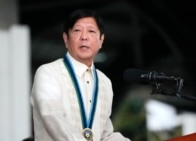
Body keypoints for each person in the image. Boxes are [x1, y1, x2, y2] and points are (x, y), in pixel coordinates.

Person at [30, 8, 131, 141]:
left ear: (101, 40)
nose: (84, 37)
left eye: (91, 31)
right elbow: (52, 116)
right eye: (77, 31)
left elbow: (105, 135)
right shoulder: (48, 73)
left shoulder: (104, 82)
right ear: (66, 39)